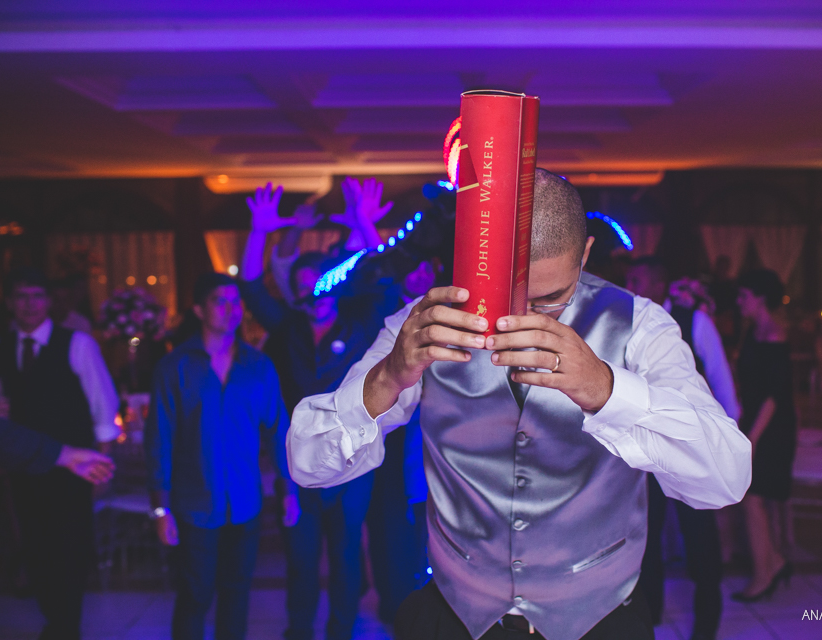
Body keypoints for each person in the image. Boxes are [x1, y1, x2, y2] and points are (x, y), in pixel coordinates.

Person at [287, 169, 751, 640]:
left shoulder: (642, 327)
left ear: (585, 254)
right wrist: (387, 377)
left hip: (600, 619)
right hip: (455, 616)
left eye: (550, 298)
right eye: (507, 293)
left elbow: (726, 478)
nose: (523, 316)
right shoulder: (424, 322)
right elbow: (309, 465)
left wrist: (607, 390)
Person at [239, 181, 396, 640]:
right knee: (301, 554)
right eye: (304, 290)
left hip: (354, 458)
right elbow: (249, 287)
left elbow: (385, 280)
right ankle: (299, 630)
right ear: (296, 293)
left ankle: (341, 631)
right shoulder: (286, 325)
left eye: (321, 287)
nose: (315, 297)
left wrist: (365, 223)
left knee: (347, 550)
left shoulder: (359, 321)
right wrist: (258, 232)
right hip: (296, 462)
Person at [144, 273, 296, 640]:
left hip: (245, 501)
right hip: (194, 503)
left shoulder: (258, 367)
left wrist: (289, 489)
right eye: (220, 301)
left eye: (236, 302)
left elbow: (279, 431)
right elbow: (159, 441)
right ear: (199, 309)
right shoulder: (175, 367)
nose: (232, 310)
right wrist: (161, 508)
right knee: (194, 594)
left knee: (237, 592)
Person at [0, 267, 119, 640]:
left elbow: (103, 405)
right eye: (22, 296)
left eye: (37, 296)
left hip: (74, 466)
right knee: (33, 544)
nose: (30, 304)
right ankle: (53, 619)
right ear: (11, 303)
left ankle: (66, 626)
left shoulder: (77, 343)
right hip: (23, 464)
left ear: (49, 302)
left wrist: (103, 463)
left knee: (69, 547)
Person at [625, 258, 740, 640]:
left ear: (659, 283)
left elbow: (722, 381)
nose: (632, 285)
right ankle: (652, 616)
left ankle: (706, 625)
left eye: (638, 279)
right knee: (646, 535)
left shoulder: (696, 322)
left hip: (689, 452)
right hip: (645, 455)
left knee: (700, 542)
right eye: (629, 280)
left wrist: (727, 447)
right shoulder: (628, 321)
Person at [731, 268, 796, 603]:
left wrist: (752, 438)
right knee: (751, 499)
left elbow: (774, 395)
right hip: (755, 424)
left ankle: (763, 575)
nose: (740, 302)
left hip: (772, 429)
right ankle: (774, 563)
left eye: (744, 296)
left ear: (759, 299)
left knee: (752, 498)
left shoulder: (774, 335)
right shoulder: (753, 332)